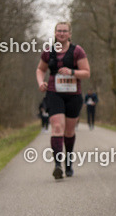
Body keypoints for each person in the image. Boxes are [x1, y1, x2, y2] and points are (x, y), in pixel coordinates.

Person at [35, 21, 91, 179]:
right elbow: (40, 69)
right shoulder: (48, 51)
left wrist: (71, 72)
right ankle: (58, 165)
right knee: (57, 126)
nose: (61, 33)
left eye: (64, 31)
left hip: (73, 95)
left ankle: (68, 162)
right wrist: (41, 82)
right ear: (55, 33)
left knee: (69, 131)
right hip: (54, 93)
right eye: (59, 31)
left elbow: (86, 73)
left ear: (69, 34)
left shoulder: (77, 51)